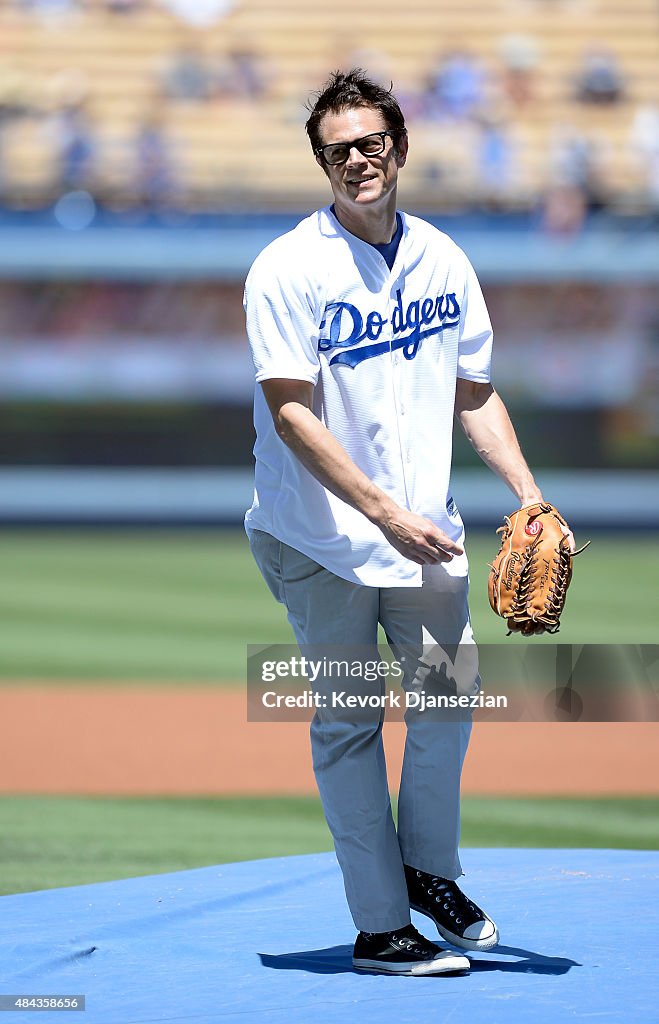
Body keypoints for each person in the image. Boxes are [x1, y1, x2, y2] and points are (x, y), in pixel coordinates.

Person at [243, 69, 546, 977]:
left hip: (428, 533)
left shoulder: (443, 259)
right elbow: (293, 412)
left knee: (448, 697)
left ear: (400, 147)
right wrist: (382, 509)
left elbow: (476, 391)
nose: (357, 160)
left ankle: (428, 871)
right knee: (348, 721)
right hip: (318, 538)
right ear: (320, 162)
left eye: (371, 142)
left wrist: (528, 495)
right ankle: (381, 929)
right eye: (337, 150)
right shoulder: (288, 268)